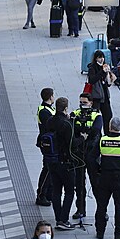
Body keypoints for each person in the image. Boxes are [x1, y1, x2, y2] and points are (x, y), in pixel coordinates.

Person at [91, 117, 120, 239]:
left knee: (101, 206)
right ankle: (119, 232)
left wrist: (97, 171)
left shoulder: (102, 140)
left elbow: (91, 158)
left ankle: (100, 232)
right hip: (119, 178)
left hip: (104, 177)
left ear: (110, 126)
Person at [45, 97, 77, 230]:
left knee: (56, 191)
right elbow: (72, 144)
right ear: (65, 108)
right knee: (69, 192)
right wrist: (82, 138)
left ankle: (58, 218)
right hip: (65, 162)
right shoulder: (66, 124)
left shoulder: (50, 120)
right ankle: (64, 220)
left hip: (52, 160)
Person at [70, 93, 102, 221]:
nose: (82, 105)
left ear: (91, 103)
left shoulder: (96, 115)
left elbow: (96, 130)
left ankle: (101, 209)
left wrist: (83, 131)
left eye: (85, 102)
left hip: (92, 153)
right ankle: (80, 209)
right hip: (79, 153)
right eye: (81, 102)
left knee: (96, 183)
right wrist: (84, 129)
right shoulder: (76, 113)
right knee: (79, 183)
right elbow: (72, 127)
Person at [35, 88, 56, 206]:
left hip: (50, 142)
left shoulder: (48, 109)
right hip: (47, 143)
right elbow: (51, 125)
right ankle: (41, 194)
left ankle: (48, 193)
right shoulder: (44, 111)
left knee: (50, 169)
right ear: (50, 97)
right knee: (47, 169)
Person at [87, 50, 115, 134]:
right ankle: (96, 135)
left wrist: (109, 76)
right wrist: (102, 72)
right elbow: (92, 80)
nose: (101, 59)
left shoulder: (105, 66)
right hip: (96, 96)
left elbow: (107, 83)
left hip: (104, 95)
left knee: (108, 116)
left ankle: (107, 133)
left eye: (102, 57)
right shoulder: (92, 68)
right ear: (95, 58)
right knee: (95, 117)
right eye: (99, 57)